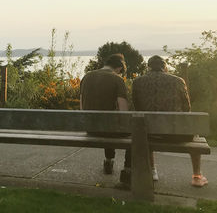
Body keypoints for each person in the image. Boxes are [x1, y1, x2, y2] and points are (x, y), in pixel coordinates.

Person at [132, 55, 208, 187]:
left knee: (145, 126)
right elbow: (186, 108)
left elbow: (137, 107)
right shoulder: (178, 81)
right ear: (165, 67)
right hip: (176, 133)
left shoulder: (137, 82)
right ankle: (197, 176)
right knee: (193, 130)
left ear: (148, 67)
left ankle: (153, 171)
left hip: (150, 134)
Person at [80, 53, 131, 184]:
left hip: (90, 128)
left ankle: (109, 161)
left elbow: (82, 106)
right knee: (135, 132)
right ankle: (127, 170)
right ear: (119, 68)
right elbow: (124, 111)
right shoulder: (117, 80)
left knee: (108, 123)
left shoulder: (86, 76)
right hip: (107, 129)